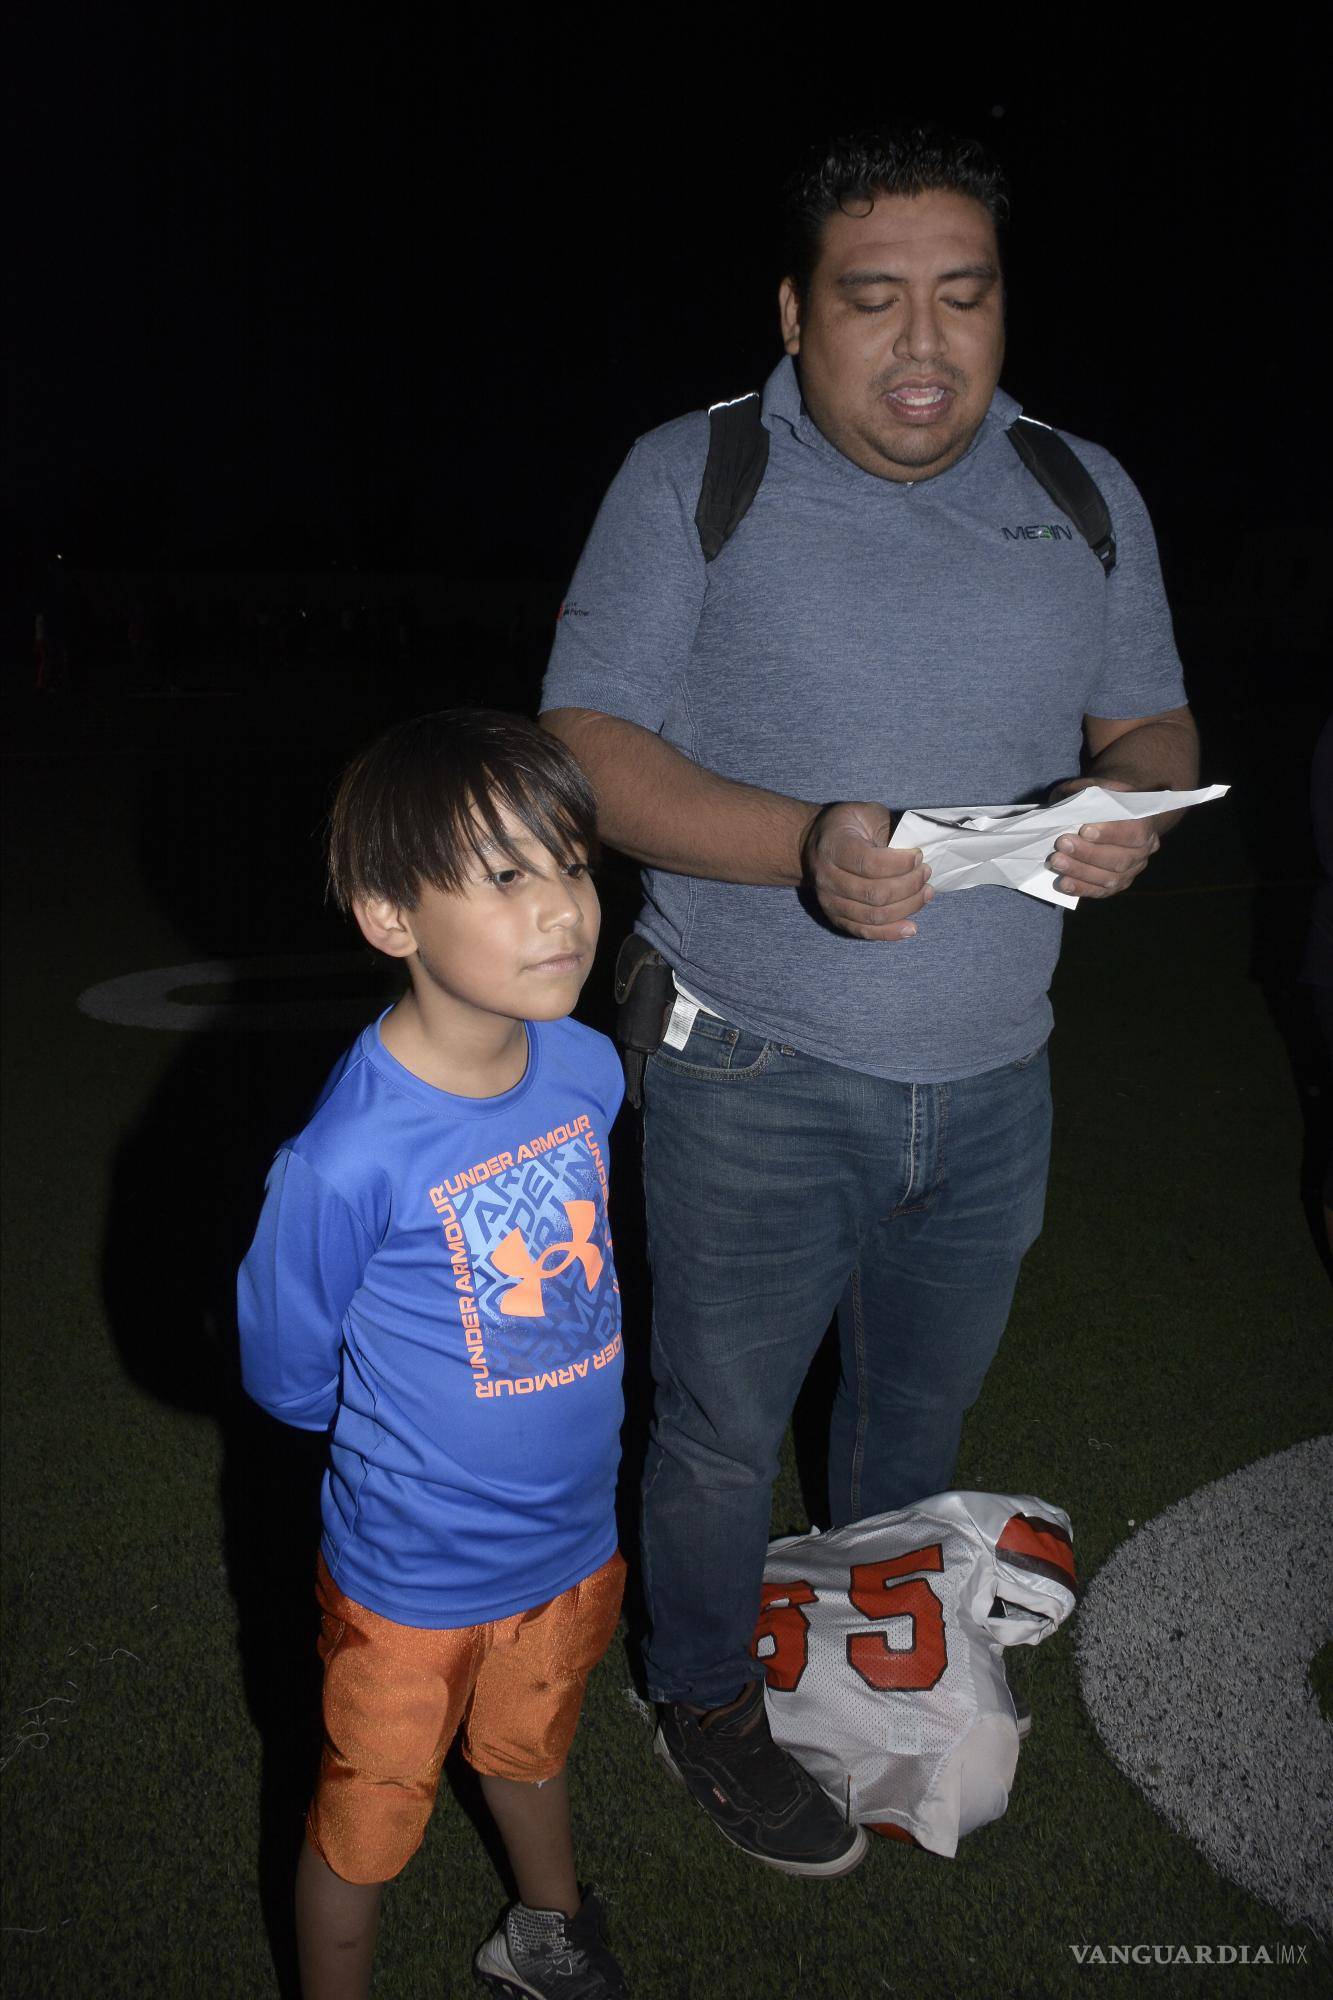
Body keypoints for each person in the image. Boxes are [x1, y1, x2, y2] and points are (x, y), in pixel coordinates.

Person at [539, 125, 1201, 1878]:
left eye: (962, 296)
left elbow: (1147, 723)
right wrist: (804, 846)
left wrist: (1120, 810)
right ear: (793, 313)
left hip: (997, 1069)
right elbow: (584, 752)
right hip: (750, 1055)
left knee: (911, 1419)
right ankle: (696, 1694)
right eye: (873, 299)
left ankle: (859, 1634)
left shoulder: (1079, 487)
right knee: (715, 1427)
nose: (923, 343)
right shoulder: (695, 474)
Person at [238, 710, 629, 1999]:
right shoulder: (344, 1160)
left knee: (530, 1747)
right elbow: (287, 1373)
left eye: (570, 862)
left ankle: (551, 1933)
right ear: (390, 917)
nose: (562, 908)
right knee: (369, 1819)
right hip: (412, 1580)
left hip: (573, 1541)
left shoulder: (584, 1067)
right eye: (505, 876)